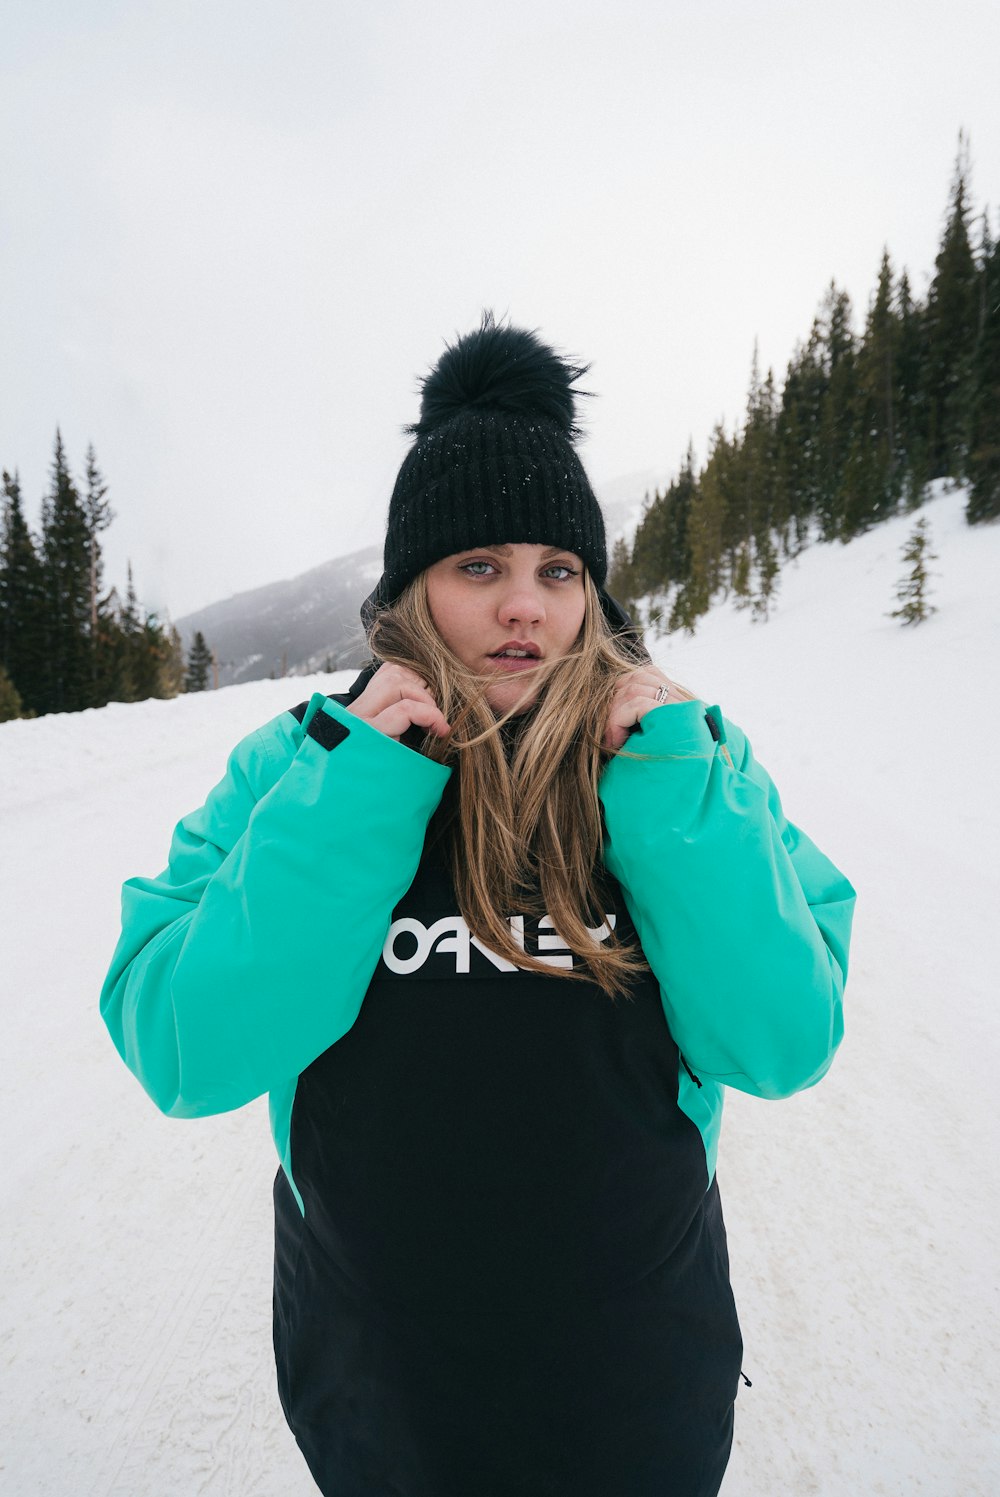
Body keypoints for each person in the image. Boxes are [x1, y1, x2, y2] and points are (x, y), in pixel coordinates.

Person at [100, 313, 855, 1497]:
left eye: (558, 571)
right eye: (480, 568)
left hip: (635, 1378)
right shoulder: (304, 766)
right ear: (412, 589)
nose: (525, 609)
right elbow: (184, 1050)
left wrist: (668, 787)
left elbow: (780, 1041)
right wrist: (357, 794)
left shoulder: (683, 764)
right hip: (378, 1382)